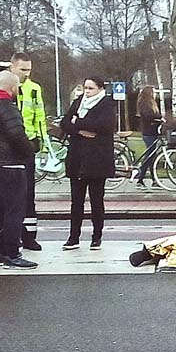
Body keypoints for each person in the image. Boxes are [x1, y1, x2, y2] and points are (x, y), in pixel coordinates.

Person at [0, 52, 47, 251]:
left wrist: (43, 144)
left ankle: (27, 237)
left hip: (18, 147)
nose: (27, 74)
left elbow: (39, 117)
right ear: (12, 68)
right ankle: (11, 247)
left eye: (29, 70)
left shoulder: (33, 88)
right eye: (23, 70)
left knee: (25, 198)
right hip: (14, 151)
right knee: (12, 203)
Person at [0, 71, 37, 269]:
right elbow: (17, 135)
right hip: (11, 164)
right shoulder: (7, 107)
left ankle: (0, 251)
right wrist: (29, 150)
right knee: (14, 210)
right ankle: (12, 252)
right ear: (12, 87)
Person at [60, 75, 116, 251]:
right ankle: (73, 237)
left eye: (91, 88)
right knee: (76, 201)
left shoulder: (107, 104)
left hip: (97, 159)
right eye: (85, 88)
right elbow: (65, 123)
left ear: (100, 89)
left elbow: (104, 126)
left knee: (96, 200)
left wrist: (79, 123)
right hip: (77, 158)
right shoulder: (78, 102)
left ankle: (96, 237)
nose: (87, 91)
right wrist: (81, 130)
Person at [135, 85, 164, 190]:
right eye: (154, 91)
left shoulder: (151, 103)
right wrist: (159, 118)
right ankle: (142, 179)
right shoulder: (144, 103)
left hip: (153, 131)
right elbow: (148, 116)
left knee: (151, 156)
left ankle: (151, 180)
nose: (155, 93)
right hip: (148, 132)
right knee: (150, 156)